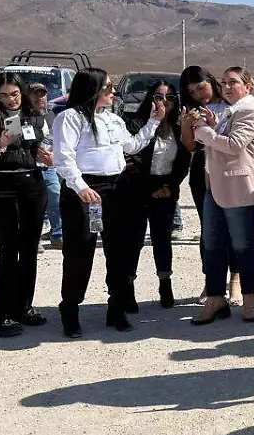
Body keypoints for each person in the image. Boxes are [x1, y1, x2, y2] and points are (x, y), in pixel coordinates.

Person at [54, 68, 164, 337]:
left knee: (120, 250)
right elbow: (64, 157)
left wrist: (153, 122)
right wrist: (81, 187)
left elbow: (131, 146)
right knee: (80, 252)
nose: (113, 92)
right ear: (92, 89)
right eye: (107, 87)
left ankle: (116, 308)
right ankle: (70, 308)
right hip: (84, 191)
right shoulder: (70, 118)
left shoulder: (113, 119)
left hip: (116, 189)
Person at [191, 67, 254, 325]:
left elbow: (233, 145)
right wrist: (211, 127)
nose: (227, 87)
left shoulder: (249, 111)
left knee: (242, 245)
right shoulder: (231, 111)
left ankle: (249, 297)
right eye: (223, 82)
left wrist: (203, 131)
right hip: (215, 188)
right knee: (212, 244)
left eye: (233, 82)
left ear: (248, 86)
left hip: (240, 190)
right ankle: (215, 298)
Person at [0, 72, 51, 337]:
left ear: (22, 92)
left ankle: (23, 307)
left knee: (29, 251)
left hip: (33, 185)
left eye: (15, 94)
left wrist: (46, 156)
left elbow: (41, 148)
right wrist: (0, 144)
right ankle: (0, 317)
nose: (11, 100)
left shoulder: (36, 118)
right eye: (4, 95)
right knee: (8, 252)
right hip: (2, 187)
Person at [124, 81, 192, 310]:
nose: (164, 102)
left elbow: (183, 162)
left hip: (165, 189)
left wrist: (170, 186)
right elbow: (129, 158)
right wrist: (146, 188)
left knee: (162, 238)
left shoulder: (178, 127)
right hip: (137, 189)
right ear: (150, 99)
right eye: (159, 97)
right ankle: (128, 286)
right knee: (133, 239)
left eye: (170, 98)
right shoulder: (136, 123)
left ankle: (165, 284)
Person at [179, 66, 239, 304]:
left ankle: (236, 279)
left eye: (201, 87)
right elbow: (190, 146)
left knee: (235, 227)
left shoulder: (232, 104)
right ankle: (211, 281)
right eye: (192, 92)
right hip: (202, 171)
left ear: (211, 82)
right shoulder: (192, 111)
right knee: (209, 229)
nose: (198, 94)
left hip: (231, 169)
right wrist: (186, 125)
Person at [26, 84, 63, 250]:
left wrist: (54, 155)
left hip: (47, 165)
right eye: (35, 94)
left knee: (55, 194)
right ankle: (32, 239)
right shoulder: (20, 116)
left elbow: (57, 139)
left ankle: (58, 235)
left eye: (42, 94)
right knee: (31, 203)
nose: (39, 98)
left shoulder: (52, 115)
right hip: (26, 167)